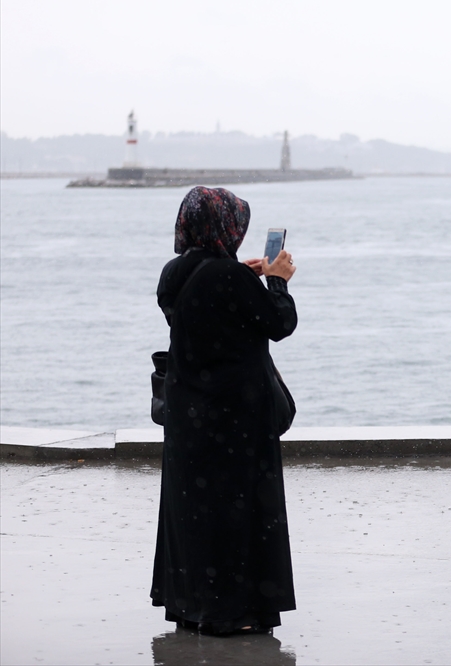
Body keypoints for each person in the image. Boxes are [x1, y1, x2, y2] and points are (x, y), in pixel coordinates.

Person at [152, 186, 298, 635]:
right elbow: (280, 323)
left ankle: (191, 606)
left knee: (193, 514)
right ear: (225, 227)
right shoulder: (228, 278)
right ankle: (234, 611)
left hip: (188, 418)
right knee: (236, 515)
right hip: (234, 421)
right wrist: (277, 280)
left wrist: (242, 274)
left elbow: (206, 312)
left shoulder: (175, 272)